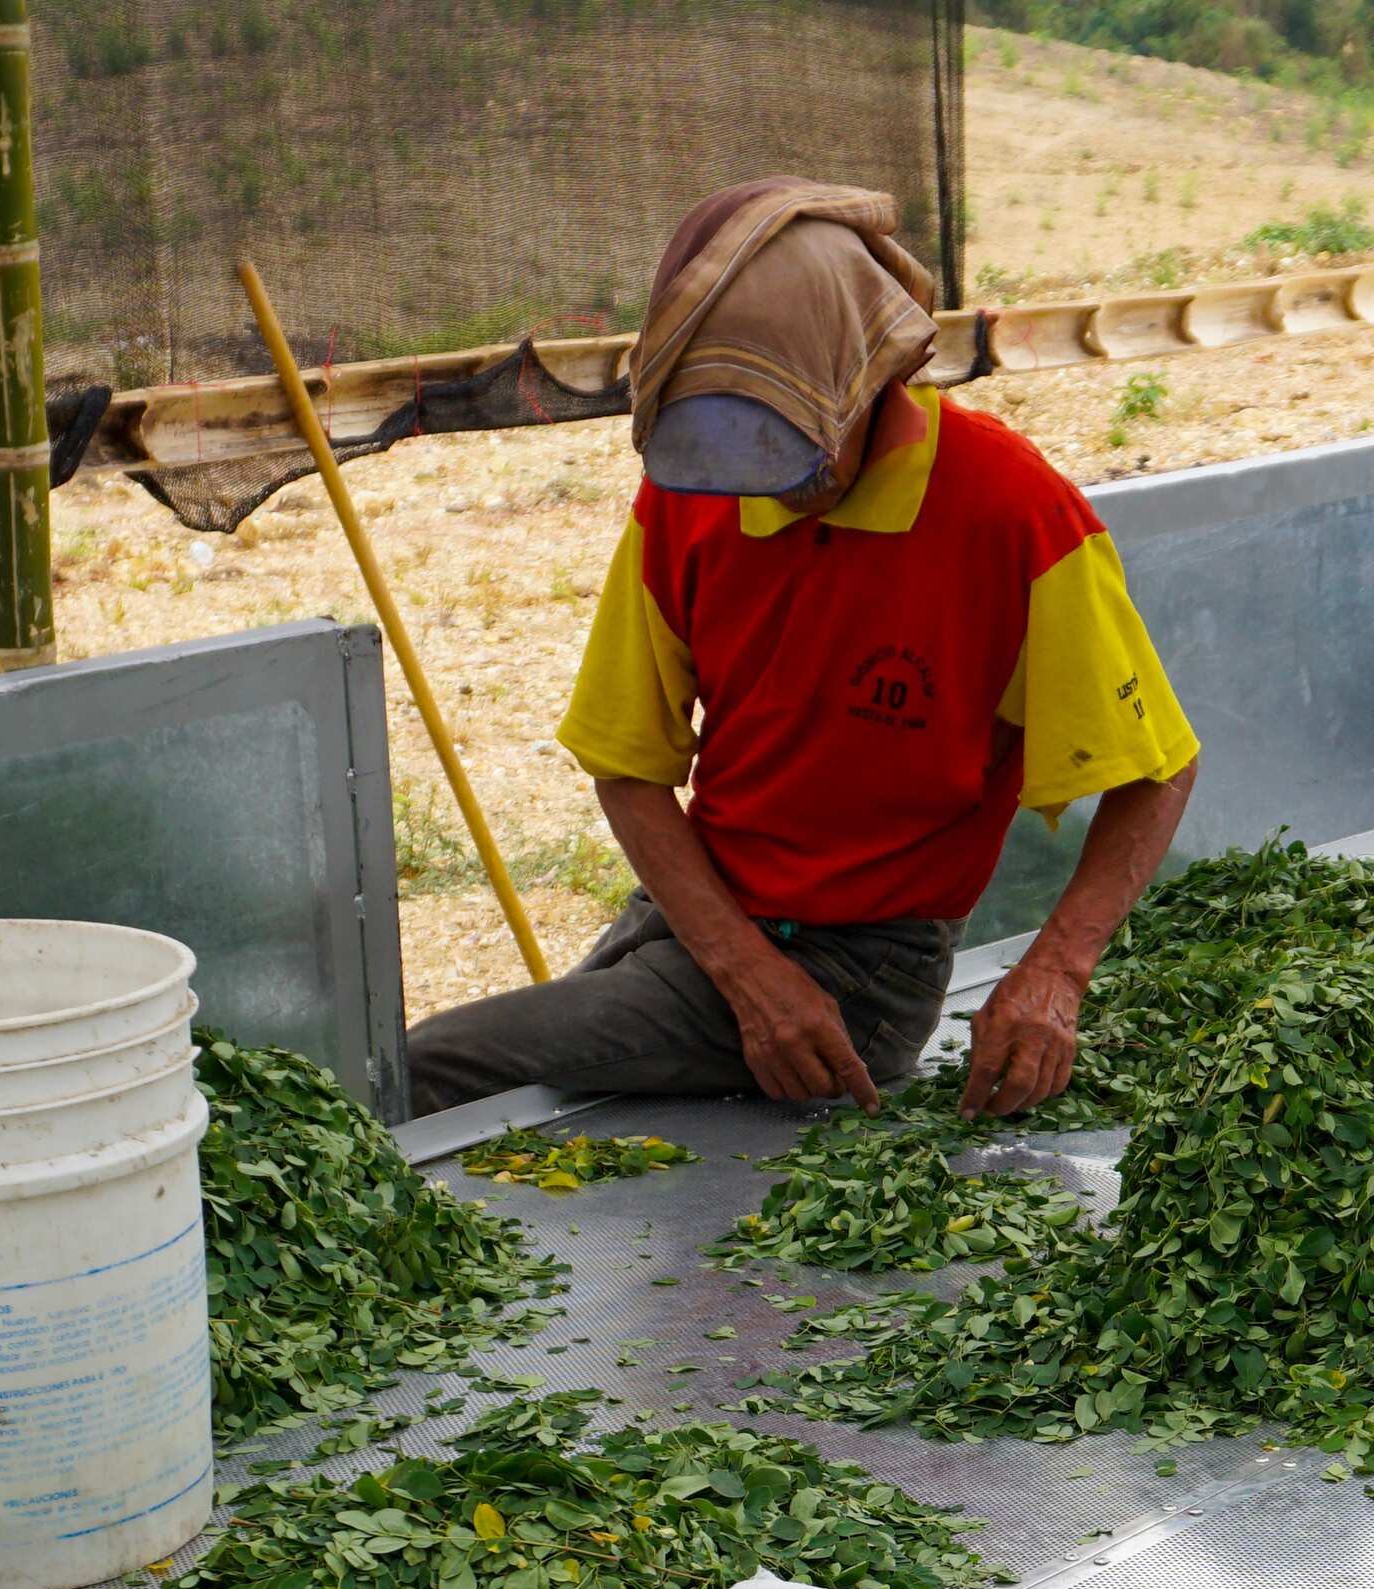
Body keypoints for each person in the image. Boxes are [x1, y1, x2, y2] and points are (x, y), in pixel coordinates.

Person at [401, 179, 1201, 1119]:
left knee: (429, 1069)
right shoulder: (694, 494)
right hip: (706, 917)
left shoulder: (1010, 511)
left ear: (868, 382)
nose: (767, 490)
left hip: (860, 973)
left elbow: (1159, 771)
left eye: (787, 452)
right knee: (511, 1094)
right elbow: (626, 768)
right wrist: (744, 973)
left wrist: (1054, 973)